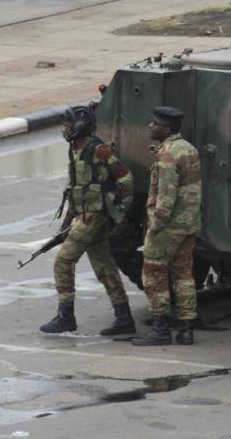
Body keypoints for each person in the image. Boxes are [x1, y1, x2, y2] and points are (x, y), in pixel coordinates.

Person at [39, 105, 136, 335]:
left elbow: (126, 179)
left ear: (80, 126)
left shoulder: (98, 150)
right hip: (84, 216)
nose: (64, 129)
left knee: (63, 261)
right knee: (104, 267)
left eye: (67, 125)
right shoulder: (75, 150)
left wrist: (119, 211)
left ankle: (66, 316)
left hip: (95, 217)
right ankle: (124, 318)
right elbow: (76, 189)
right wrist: (66, 222)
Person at [132, 106, 201, 346]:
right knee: (183, 275)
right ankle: (186, 329)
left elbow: (166, 194)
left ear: (167, 129)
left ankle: (160, 328)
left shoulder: (167, 154)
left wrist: (156, 225)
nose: (151, 126)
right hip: (189, 224)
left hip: (168, 225)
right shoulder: (189, 149)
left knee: (154, 273)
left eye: (155, 124)